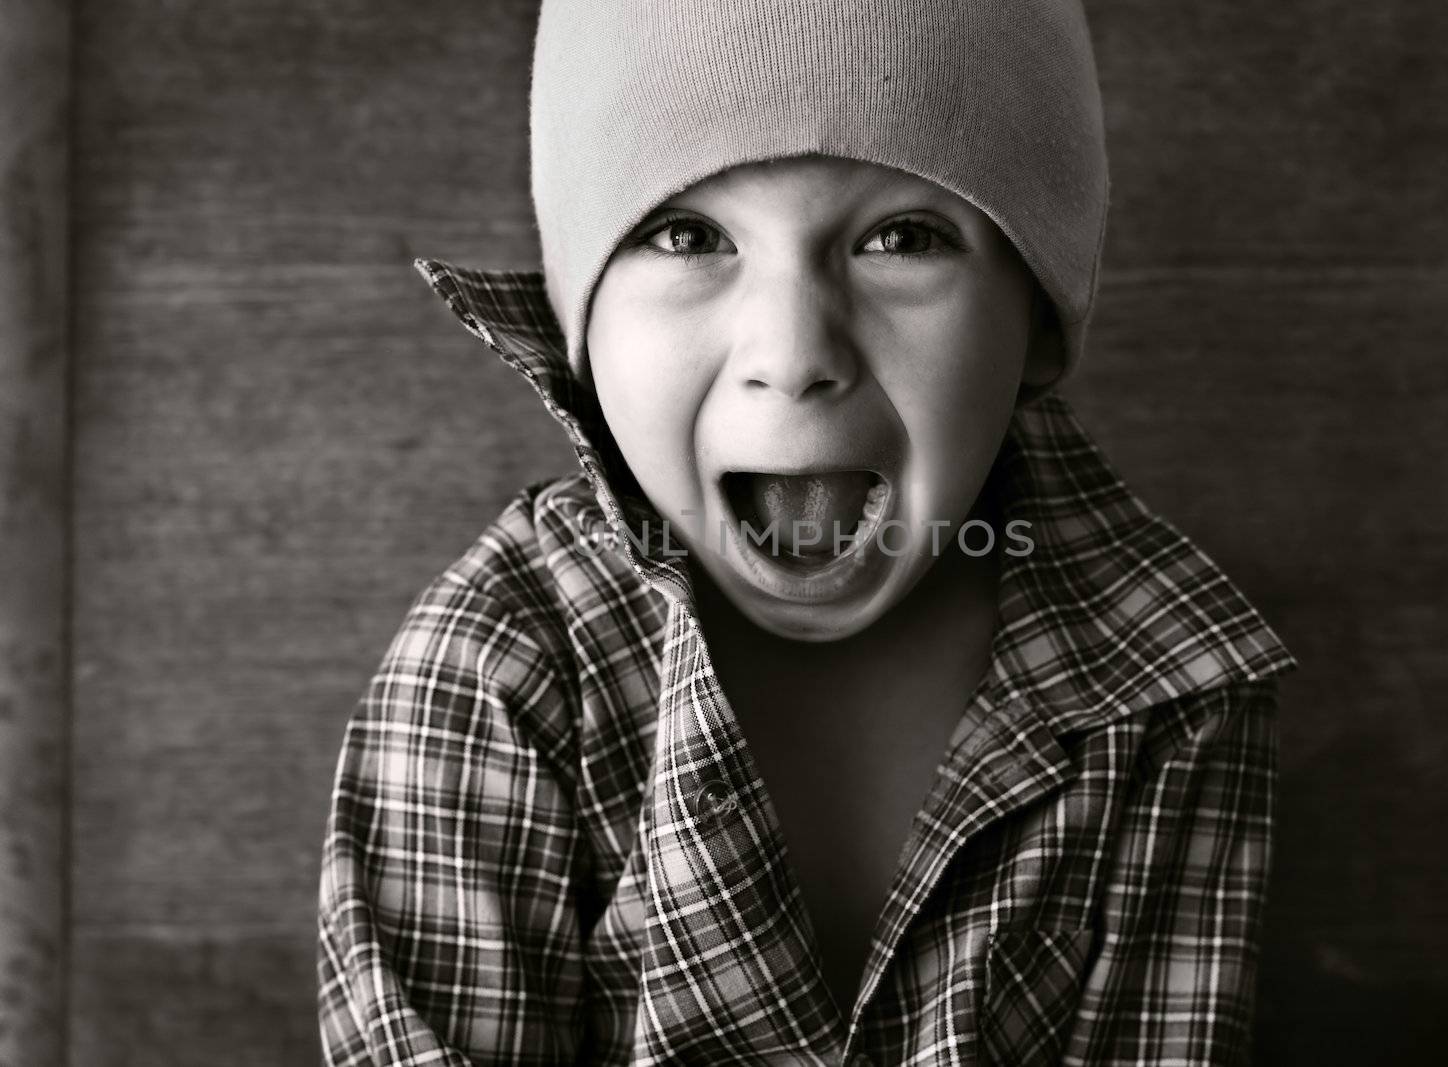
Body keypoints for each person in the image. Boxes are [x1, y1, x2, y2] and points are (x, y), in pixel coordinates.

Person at [314, 1, 1296, 1064]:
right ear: (581, 326)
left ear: (1035, 317)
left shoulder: (1169, 671)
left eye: (902, 238)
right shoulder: (500, 669)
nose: (792, 353)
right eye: (686, 235)